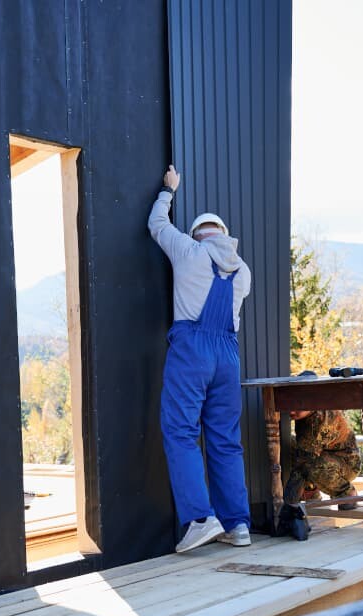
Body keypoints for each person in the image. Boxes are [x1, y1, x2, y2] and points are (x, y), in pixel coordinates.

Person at [149, 164, 253, 553]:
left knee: (180, 431)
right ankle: (238, 525)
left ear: (197, 234)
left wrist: (168, 190)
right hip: (228, 354)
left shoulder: (190, 251)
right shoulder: (242, 271)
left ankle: (198, 519)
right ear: (224, 236)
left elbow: (157, 224)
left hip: (192, 349)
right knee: (226, 440)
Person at [285, 408, 360, 511]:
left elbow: (301, 463)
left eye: (297, 407)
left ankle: (346, 492)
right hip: (326, 457)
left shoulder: (319, 420)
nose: (291, 411)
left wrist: (288, 504)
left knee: (312, 465)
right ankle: (310, 491)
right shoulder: (310, 412)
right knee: (291, 445)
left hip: (346, 464)